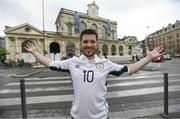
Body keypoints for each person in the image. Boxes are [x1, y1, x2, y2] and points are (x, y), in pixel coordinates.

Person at [25, 29, 164, 119]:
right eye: (85, 41)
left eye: (92, 42)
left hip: (101, 117)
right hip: (77, 116)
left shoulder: (106, 63)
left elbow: (128, 70)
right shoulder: (72, 62)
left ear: (97, 44)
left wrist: (148, 58)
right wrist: (35, 52)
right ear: (80, 44)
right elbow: (50, 64)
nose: (89, 45)